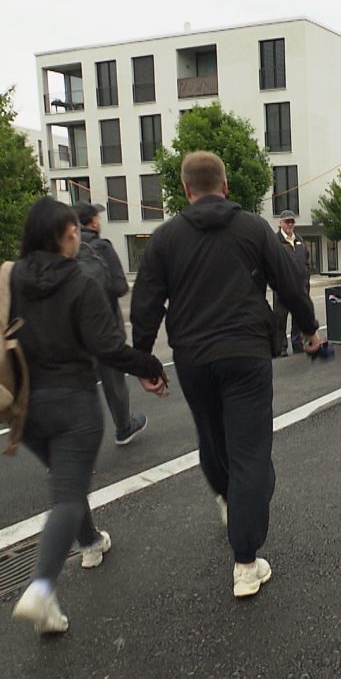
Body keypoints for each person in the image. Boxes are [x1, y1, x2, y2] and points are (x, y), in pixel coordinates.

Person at [131, 151, 322, 598]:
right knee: (251, 452)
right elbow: (289, 282)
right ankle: (245, 562)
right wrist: (309, 330)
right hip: (246, 353)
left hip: (193, 358)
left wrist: (144, 363)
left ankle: (227, 498)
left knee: (213, 439)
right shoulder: (253, 228)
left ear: (185, 189)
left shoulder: (165, 238)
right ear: (226, 185)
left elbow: (145, 303)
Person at [10, 197, 167, 635]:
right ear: (61, 236)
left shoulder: (18, 278)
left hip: (28, 404)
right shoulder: (80, 282)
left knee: (65, 479)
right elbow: (108, 347)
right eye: (71, 230)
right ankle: (41, 587)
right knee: (66, 494)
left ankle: (91, 542)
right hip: (73, 402)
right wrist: (150, 367)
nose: (78, 234)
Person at [73, 202, 148, 445]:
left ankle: (75, 440)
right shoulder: (101, 247)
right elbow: (119, 286)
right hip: (106, 328)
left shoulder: (64, 249)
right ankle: (124, 427)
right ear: (92, 222)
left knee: (81, 384)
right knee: (113, 380)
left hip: (75, 332)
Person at [272, 209, 312, 356]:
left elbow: (305, 260)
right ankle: (281, 348)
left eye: (291, 221)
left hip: (301, 286)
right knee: (280, 318)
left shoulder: (299, 240)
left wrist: (306, 276)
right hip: (283, 287)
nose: (289, 224)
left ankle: (297, 343)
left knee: (299, 317)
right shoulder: (275, 241)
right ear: (280, 223)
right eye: (287, 221)